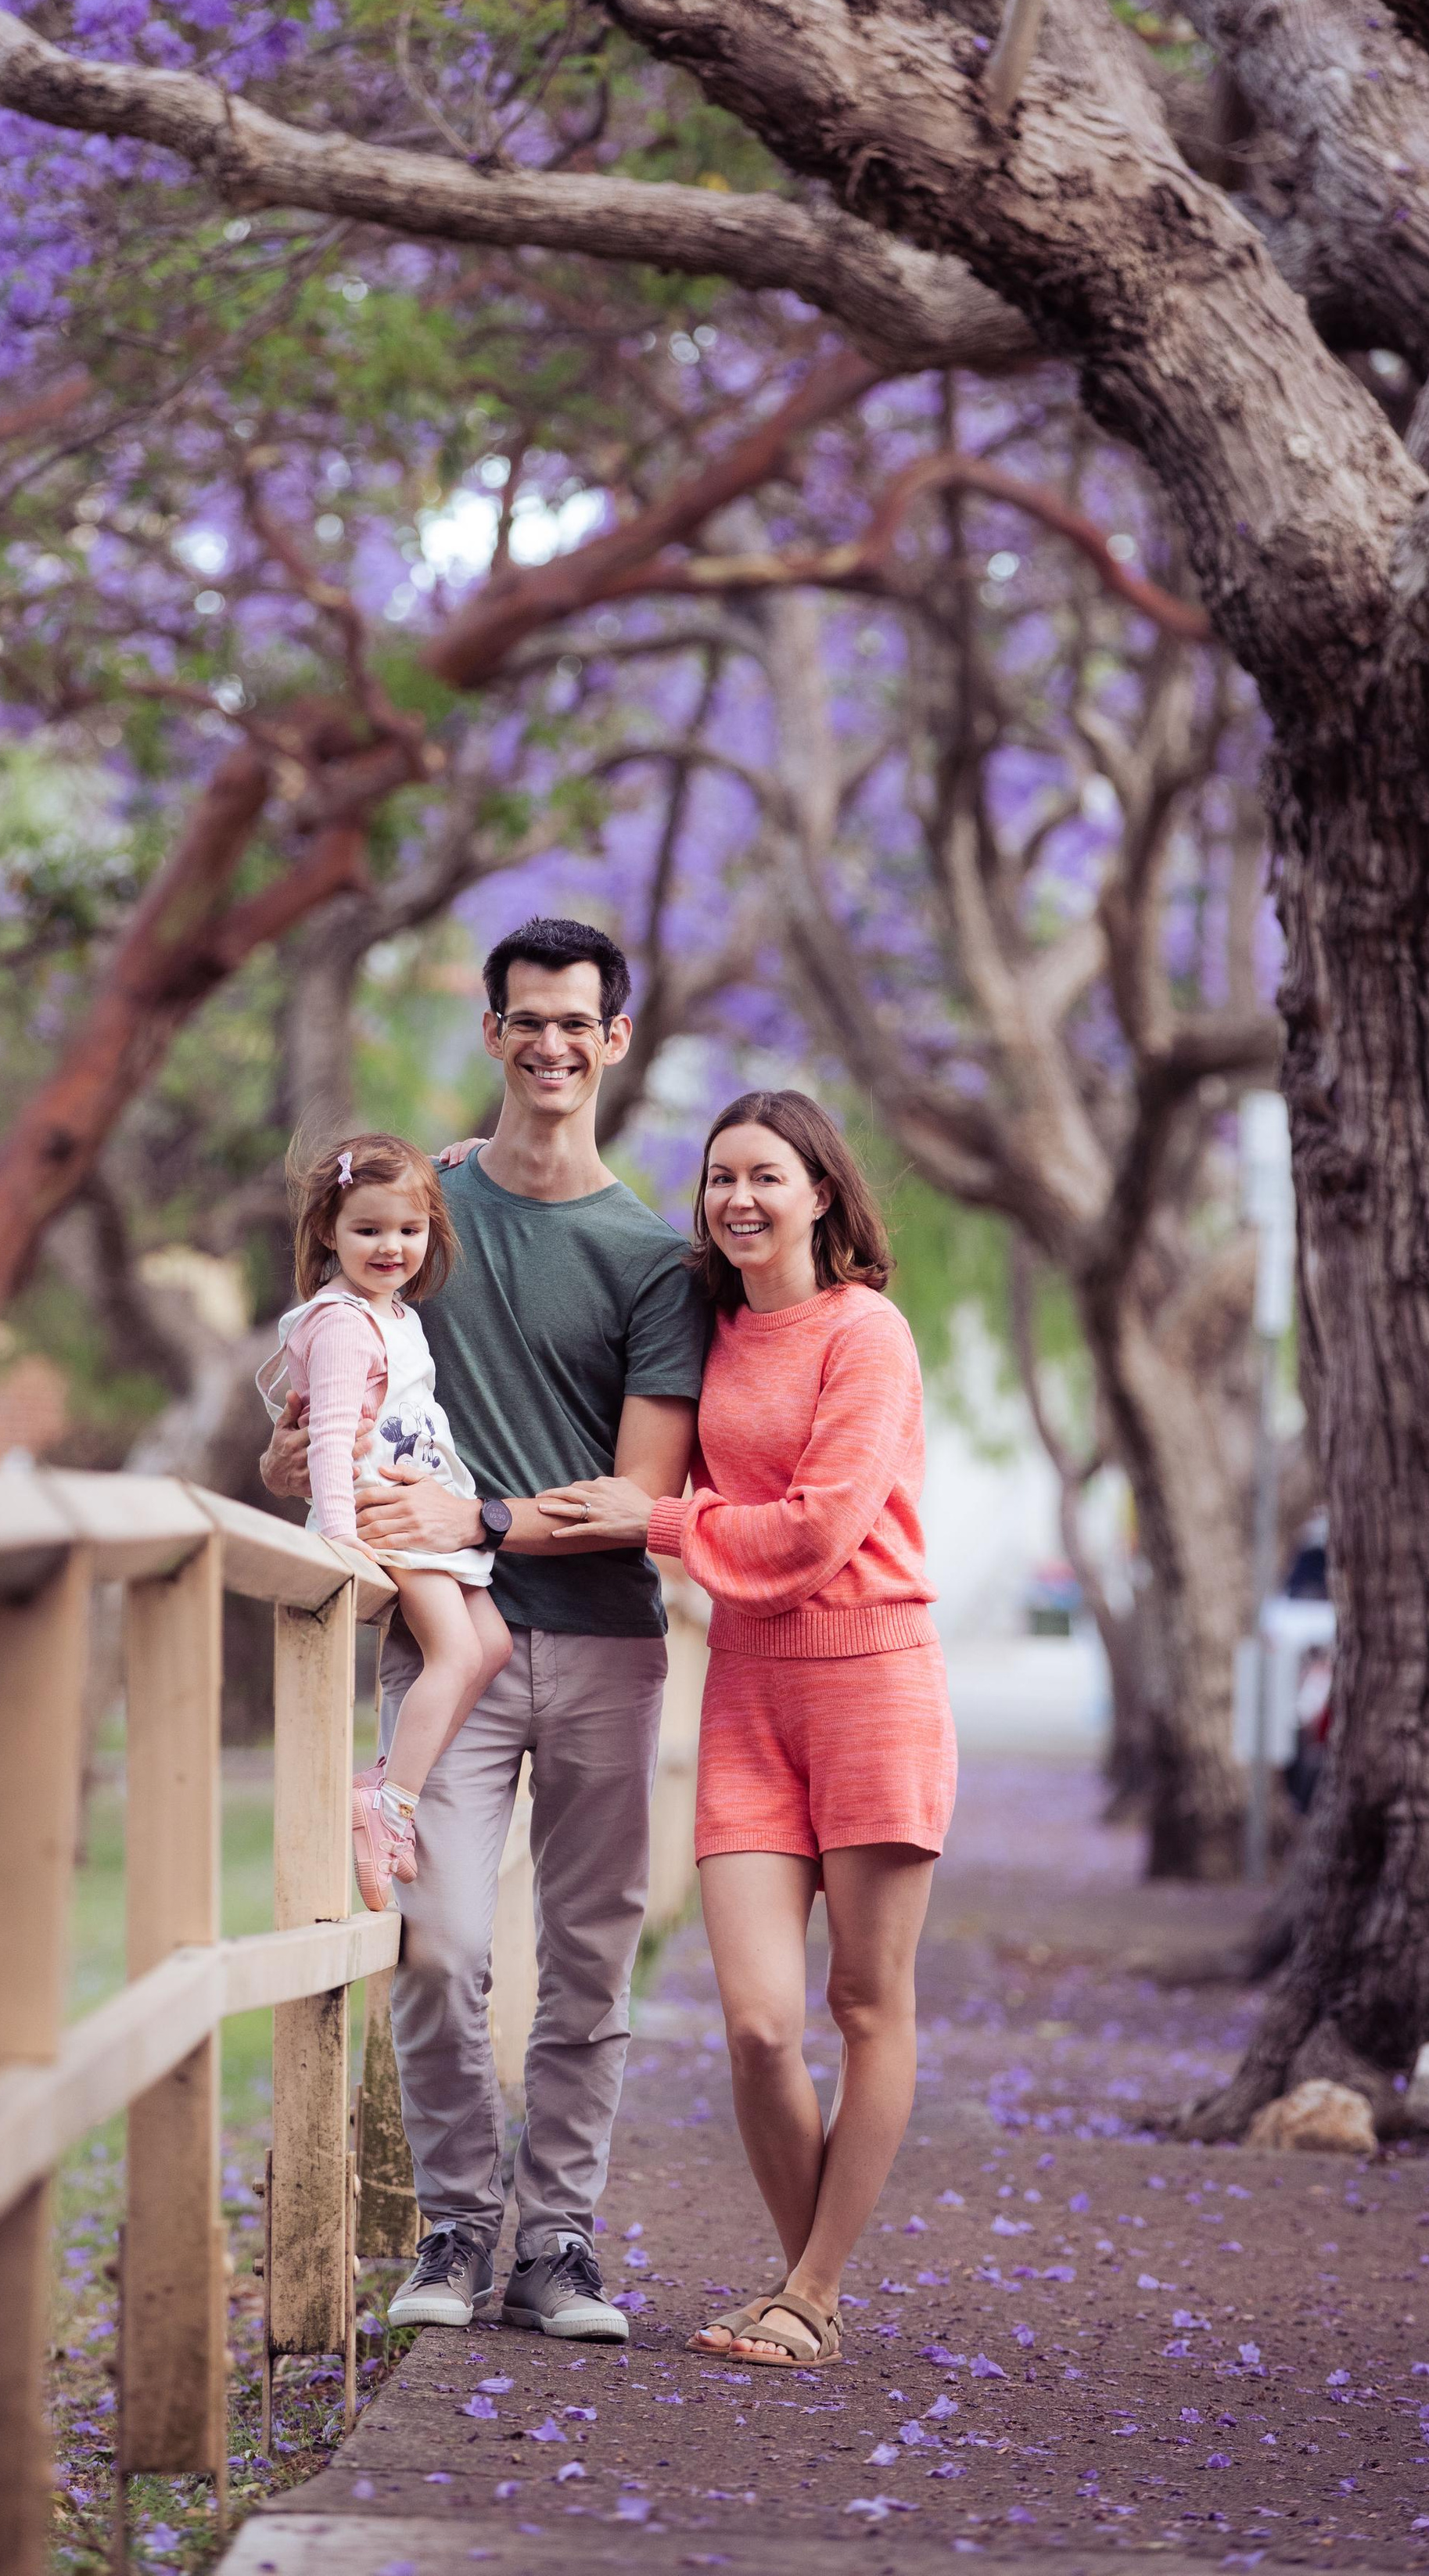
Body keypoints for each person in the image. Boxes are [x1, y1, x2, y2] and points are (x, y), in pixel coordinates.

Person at [261, 914, 707, 2343]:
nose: (554, 1043)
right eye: (529, 1019)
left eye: (581, 1022)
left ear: (615, 1039)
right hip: (443, 1643)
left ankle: (558, 2243)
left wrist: (479, 1517)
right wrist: (300, 1467)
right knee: (441, 1943)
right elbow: (331, 1407)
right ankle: (458, 2230)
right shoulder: (424, 1217)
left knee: (588, 1952)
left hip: (600, 1641)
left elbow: (643, 1496)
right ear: (494, 1032)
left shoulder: (653, 1259)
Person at [539, 1087, 953, 2370]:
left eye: (767, 1175)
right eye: (720, 1177)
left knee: (865, 2005)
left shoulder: (866, 1334)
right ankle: (807, 2295)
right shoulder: (704, 1326)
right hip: (750, 1694)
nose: (739, 1199)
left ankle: (807, 2292)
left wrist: (652, 1525)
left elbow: (821, 1530)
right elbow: (573, 1242)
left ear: (822, 1191)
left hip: (874, 1681)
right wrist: (459, 1170)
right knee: (761, 2023)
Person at [263, 1130, 511, 1911]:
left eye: (409, 1230)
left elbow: (402, 1188)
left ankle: (383, 1782)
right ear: (329, 1232)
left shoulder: (393, 1311)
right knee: (456, 1651)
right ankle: (390, 1803)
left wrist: (444, 1163)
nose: (391, 1246)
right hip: (381, 1514)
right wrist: (340, 1542)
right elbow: (332, 1437)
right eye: (367, 1230)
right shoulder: (341, 1324)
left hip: (421, 1502)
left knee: (492, 1645)